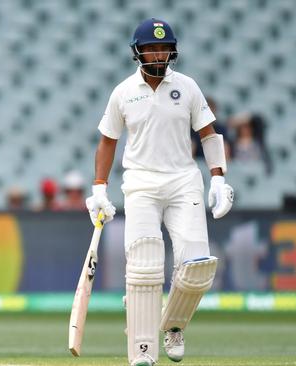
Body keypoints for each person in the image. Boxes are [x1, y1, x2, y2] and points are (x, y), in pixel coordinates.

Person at [85, 19, 234, 366]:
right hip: (140, 182)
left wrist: (218, 179)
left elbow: (209, 134)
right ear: (138, 52)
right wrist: (99, 190)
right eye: (152, 48)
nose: (158, 53)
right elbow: (107, 141)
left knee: (197, 267)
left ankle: (174, 325)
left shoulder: (188, 87)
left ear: (172, 51)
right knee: (143, 265)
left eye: (164, 47)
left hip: (184, 180)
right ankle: (143, 349)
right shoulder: (124, 92)